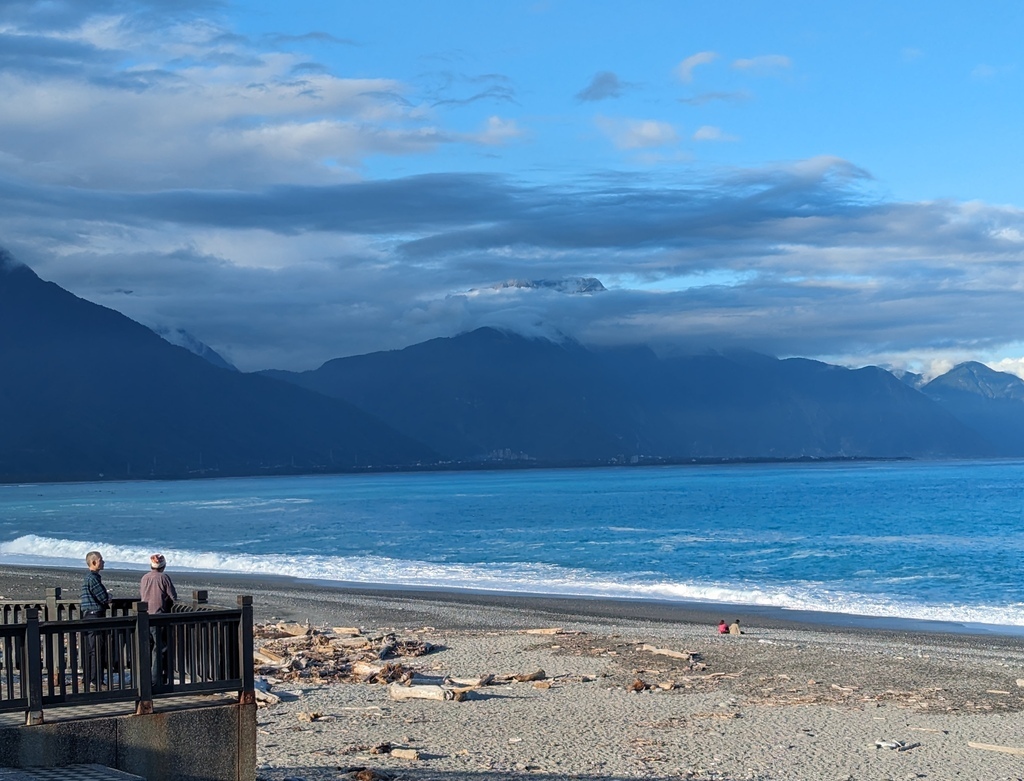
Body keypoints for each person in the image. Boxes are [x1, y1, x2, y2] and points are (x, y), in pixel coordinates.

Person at [140, 553, 178, 684]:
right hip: (158, 615)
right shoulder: (163, 578)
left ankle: (146, 678)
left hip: (144, 615)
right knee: (160, 648)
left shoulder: (145, 578)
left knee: (148, 648)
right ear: (164, 566)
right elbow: (173, 596)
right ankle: (156, 679)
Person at [80, 550, 111, 688]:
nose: (103, 562)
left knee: (91, 648)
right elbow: (103, 597)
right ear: (94, 562)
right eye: (100, 560)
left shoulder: (90, 578)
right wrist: (109, 598)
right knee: (96, 648)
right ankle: (95, 679)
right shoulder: (92, 579)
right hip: (94, 615)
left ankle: (89, 678)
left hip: (88, 614)